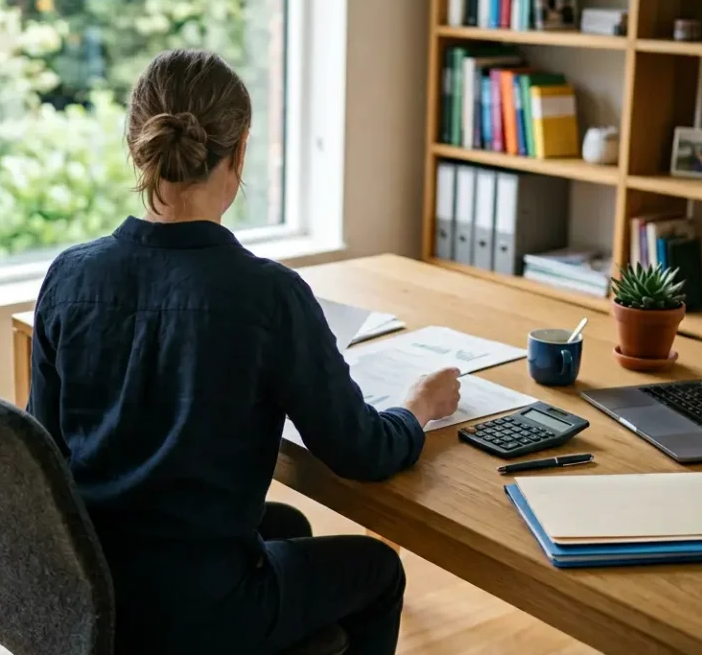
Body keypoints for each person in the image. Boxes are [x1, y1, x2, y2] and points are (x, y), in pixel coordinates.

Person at [28, 49, 462, 655]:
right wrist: (418, 408)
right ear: (239, 153)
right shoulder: (268, 296)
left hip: (91, 587)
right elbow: (360, 451)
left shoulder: (68, 276)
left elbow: (43, 452)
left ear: (136, 145)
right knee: (377, 570)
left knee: (288, 527)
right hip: (198, 611)